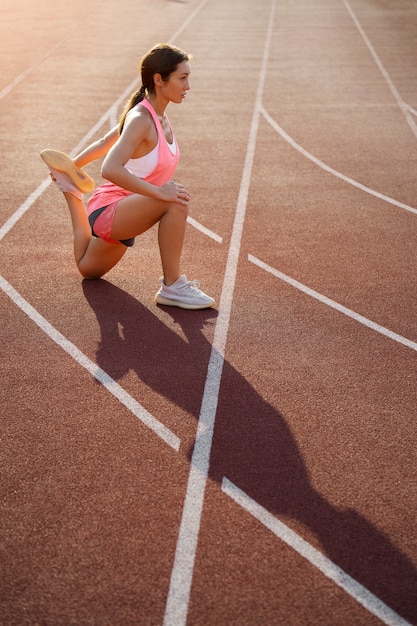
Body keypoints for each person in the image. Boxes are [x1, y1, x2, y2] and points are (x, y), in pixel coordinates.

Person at [40, 43, 215, 310]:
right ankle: (173, 286)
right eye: (183, 78)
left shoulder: (155, 115)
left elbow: (103, 142)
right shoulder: (141, 119)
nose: (188, 86)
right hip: (113, 208)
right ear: (159, 79)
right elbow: (109, 168)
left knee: (89, 270)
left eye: (188, 78)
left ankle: (71, 193)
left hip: (126, 210)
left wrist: (71, 168)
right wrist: (159, 193)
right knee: (174, 198)